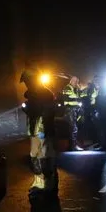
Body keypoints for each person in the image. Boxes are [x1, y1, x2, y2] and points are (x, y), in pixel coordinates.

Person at [20, 68, 59, 196]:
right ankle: (39, 183)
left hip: (43, 130)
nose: (26, 84)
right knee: (35, 157)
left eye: (27, 81)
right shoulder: (33, 94)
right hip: (35, 130)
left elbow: (47, 112)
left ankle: (49, 185)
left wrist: (30, 109)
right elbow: (34, 112)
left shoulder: (44, 93)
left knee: (45, 157)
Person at [60, 75, 85, 151]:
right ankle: (73, 146)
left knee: (73, 128)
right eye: (74, 81)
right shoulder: (67, 88)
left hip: (74, 110)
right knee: (73, 128)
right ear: (70, 81)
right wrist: (78, 97)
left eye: (77, 81)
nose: (76, 82)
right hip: (69, 110)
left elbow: (81, 97)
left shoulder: (76, 89)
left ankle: (72, 145)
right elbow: (71, 97)